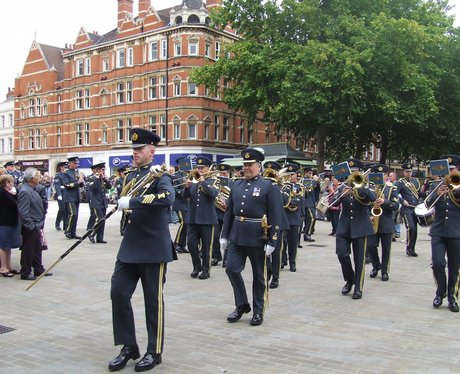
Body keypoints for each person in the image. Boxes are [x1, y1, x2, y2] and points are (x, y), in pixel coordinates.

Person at [108, 128, 176, 372]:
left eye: (139, 149)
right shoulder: (129, 177)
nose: (135, 153)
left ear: (151, 151)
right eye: (133, 149)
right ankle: (128, 346)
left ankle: (154, 351)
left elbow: (168, 198)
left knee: (153, 302)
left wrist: (133, 202)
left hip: (153, 248)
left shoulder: (161, 175)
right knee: (118, 292)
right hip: (130, 246)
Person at [220, 148, 282, 326]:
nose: (246, 168)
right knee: (231, 269)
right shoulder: (236, 185)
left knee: (259, 277)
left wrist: (273, 240)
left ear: (259, 166)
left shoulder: (269, 186)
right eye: (245, 165)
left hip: (258, 237)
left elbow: (275, 215)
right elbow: (230, 212)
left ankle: (258, 311)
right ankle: (241, 304)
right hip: (237, 236)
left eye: (250, 165)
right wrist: (225, 234)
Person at [332, 158, 376, 300]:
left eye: (355, 171)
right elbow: (334, 202)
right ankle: (349, 279)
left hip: (360, 227)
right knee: (342, 254)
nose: (353, 175)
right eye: (351, 172)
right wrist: (341, 194)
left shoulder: (366, 186)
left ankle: (358, 287)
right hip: (344, 227)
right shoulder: (343, 186)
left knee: (359, 259)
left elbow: (372, 198)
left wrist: (360, 187)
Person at [426, 155, 460, 313]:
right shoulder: (437, 185)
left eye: (451, 169)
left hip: (456, 232)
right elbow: (427, 204)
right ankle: (441, 291)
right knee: (438, 263)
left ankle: (452, 297)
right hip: (438, 232)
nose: (448, 173)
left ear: (457, 169)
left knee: (454, 267)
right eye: (447, 170)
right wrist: (437, 193)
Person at [183, 156, 220, 279]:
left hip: (207, 219)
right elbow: (185, 197)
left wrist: (203, 181)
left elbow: (213, 194)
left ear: (208, 168)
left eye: (202, 168)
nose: (199, 170)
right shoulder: (193, 180)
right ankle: (196, 267)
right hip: (193, 218)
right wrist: (187, 188)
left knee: (206, 247)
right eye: (198, 168)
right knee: (191, 245)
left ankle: (205, 270)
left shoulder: (214, 181)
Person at [17, 167, 51, 281]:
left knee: (37, 248)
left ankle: (38, 268)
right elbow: (23, 211)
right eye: (37, 176)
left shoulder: (33, 189)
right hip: (30, 226)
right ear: (32, 178)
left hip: (37, 224)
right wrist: (31, 225)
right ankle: (25, 272)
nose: (39, 177)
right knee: (28, 249)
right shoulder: (25, 191)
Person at [367, 165, 399, 281]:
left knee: (386, 249)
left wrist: (385, 202)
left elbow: (395, 206)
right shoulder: (370, 188)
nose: (381, 177)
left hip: (386, 222)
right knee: (370, 246)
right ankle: (376, 266)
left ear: (386, 176)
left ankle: (385, 271)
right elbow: (365, 204)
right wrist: (368, 215)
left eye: (383, 175)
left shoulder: (391, 189)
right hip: (372, 222)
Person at [281, 164, 303, 272]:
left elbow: (299, 200)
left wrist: (289, 201)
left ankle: (292, 263)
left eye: (292, 174)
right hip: (284, 217)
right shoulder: (282, 186)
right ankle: (282, 260)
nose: (290, 177)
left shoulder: (300, 187)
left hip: (294, 218)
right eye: (288, 174)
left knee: (293, 243)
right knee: (282, 242)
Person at [396, 163, 421, 257]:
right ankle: (409, 249)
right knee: (411, 227)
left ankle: (412, 248)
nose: (409, 173)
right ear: (403, 172)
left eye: (410, 171)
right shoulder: (400, 183)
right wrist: (402, 201)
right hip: (406, 209)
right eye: (407, 172)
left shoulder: (415, 182)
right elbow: (393, 195)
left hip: (415, 208)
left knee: (415, 229)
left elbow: (418, 194)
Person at [0, 174, 21, 277]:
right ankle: (3, 268)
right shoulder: (2, 192)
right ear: (6, 183)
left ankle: (9, 266)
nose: (13, 184)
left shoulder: (8, 193)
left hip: (11, 222)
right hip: (4, 222)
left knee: (8, 246)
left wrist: (14, 194)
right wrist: (13, 194)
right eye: (11, 182)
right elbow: (14, 205)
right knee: (4, 246)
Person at [87, 162, 112, 244]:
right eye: (102, 169)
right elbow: (91, 188)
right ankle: (92, 234)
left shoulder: (103, 178)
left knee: (103, 220)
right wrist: (98, 178)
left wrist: (104, 179)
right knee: (100, 219)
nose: (103, 171)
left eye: (104, 169)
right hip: (96, 202)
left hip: (103, 202)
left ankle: (100, 238)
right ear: (97, 170)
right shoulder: (92, 178)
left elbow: (109, 187)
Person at [62, 156, 85, 239]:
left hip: (76, 196)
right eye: (75, 163)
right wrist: (77, 183)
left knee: (76, 215)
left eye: (77, 163)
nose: (76, 165)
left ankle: (73, 232)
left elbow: (80, 185)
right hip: (69, 197)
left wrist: (81, 181)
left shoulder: (76, 172)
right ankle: (67, 230)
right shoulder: (66, 173)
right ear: (70, 163)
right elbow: (66, 185)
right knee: (73, 214)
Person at [171, 164, 189, 253]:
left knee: (187, 224)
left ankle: (182, 244)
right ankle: (176, 243)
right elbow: (174, 189)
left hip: (187, 203)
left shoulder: (188, 175)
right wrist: (183, 191)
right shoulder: (175, 176)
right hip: (179, 203)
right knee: (184, 222)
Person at [53, 162, 68, 231]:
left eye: (66, 167)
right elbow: (57, 185)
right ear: (61, 168)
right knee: (62, 209)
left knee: (67, 210)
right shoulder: (58, 175)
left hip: (67, 193)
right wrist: (59, 194)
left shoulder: (68, 175)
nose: (65, 169)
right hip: (61, 194)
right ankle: (57, 224)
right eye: (64, 167)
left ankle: (66, 225)